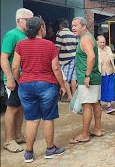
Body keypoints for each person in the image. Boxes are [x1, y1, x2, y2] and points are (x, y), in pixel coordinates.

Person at [11, 16, 66, 163]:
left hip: (26, 85)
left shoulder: (21, 45)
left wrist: (20, 80)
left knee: (32, 120)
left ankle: (28, 153)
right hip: (47, 85)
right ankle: (50, 150)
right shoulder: (49, 45)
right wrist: (62, 85)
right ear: (41, 27)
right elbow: (56, 68)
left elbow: (15, 67)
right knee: (48, 118)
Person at [1, 8, 33, 153]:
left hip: (24, 78)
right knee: (12, 108)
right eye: (28, 20)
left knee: (20, 108)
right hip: (13, 78)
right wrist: (9, 78)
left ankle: (18, 135)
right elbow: (4, 58)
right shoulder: (12, 35)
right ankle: (8, 140)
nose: (30, 23)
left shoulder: (27, 35)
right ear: (18, 20)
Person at [70, 17, 103, 144]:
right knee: (95, 103)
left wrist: (87, 75)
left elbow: (92, 56)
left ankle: (84, 135)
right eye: (72, 25)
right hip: (93, 77)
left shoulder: (85, 39)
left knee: (86, 105)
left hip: (88, 78)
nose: (73, 28)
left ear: (83, 26)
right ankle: (97, 129)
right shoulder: (87, 37)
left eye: (76, 25)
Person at [55, 18, 78, 101]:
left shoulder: (60, 34)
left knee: (64, 79)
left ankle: (69, 96)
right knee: (73, 78)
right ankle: (74, 96)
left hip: (65, 60)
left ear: (61, 26)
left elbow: (57, 48)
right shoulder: (73, 34)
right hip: (74, 58)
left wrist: (55, 59)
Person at [97, 35, 115, 114]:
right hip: (100, 73)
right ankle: (99, 105)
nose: (102, 44)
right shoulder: (95, 50)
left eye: (103, 42)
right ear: (97, 42)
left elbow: (112, 57)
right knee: (100, 89)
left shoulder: (108, 49)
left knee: (110, 88)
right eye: (101, 42)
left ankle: (109, 106)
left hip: (109, 72)